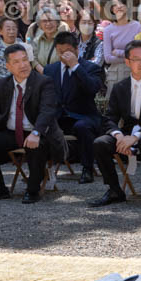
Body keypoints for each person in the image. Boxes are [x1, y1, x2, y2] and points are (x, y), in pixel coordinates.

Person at [0, 43, 65, 204]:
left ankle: (33, 189)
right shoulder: (2, 84)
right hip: (11, 132)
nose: (23, 65)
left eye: (25, 60)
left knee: (36, 144)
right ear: (8, 66)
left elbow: (48, 111)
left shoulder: (44, 82)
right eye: (17, 62)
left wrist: (36, 133)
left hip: (39, 132)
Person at [90, 40, 141, 210]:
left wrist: (135, 137)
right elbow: (110, 118)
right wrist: (119, 135)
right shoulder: (120, 87)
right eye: (137, 59)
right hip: (126, 133)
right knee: (100, 143)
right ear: (128, 62)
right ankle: (115, 190)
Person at [44, 31, 103, 183]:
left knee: (83, 127)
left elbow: (92, 88)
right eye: (60, 52)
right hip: (60, 117)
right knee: (40, 125)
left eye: (67, 52)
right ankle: (42, 170)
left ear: (77, 49)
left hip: (84, 115)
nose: (64, 56)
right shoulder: (50, 70)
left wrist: (75, 66)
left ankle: (87, 169)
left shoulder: (91, 68)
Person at [102, 0, 141, 95]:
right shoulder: (108, 30)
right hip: (115, 74)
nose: (119, 7)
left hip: (135, 73)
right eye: (115, 5)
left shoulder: (138, 27)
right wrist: (130, 58)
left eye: (121, 3)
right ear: (112, 9)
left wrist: (119, 52)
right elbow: (107, 58)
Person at [29, 7, 63, 73]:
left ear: (57, 22)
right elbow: (33, 58)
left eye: (51, 20)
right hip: (42, 78)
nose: (48, 24)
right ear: (40, 25)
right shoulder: (37, 40)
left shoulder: (63, 39)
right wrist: (43, 71)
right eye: (44, 21)